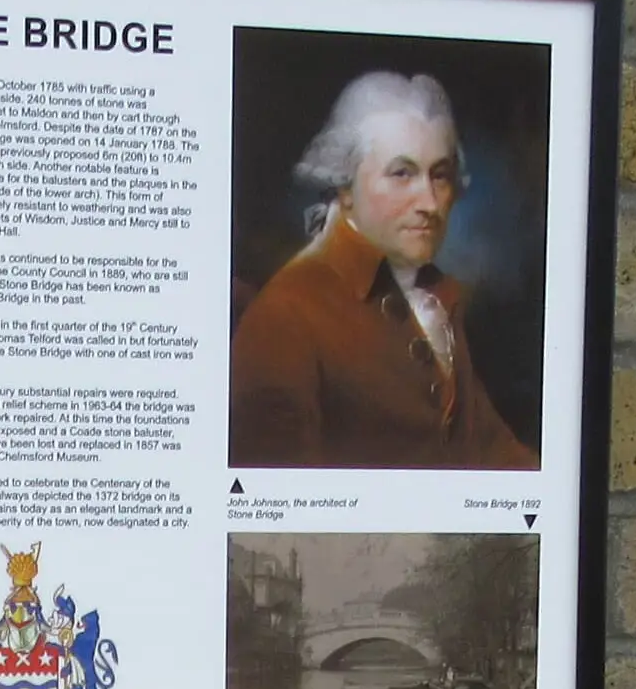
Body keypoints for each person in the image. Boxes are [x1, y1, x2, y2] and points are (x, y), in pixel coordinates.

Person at [228, 71, 537, 471]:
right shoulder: (286, 317)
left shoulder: (435, 298)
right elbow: (274, 510)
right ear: (344, 186)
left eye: (439, 175)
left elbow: (495, 454)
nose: (428, 201)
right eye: (401, 173)